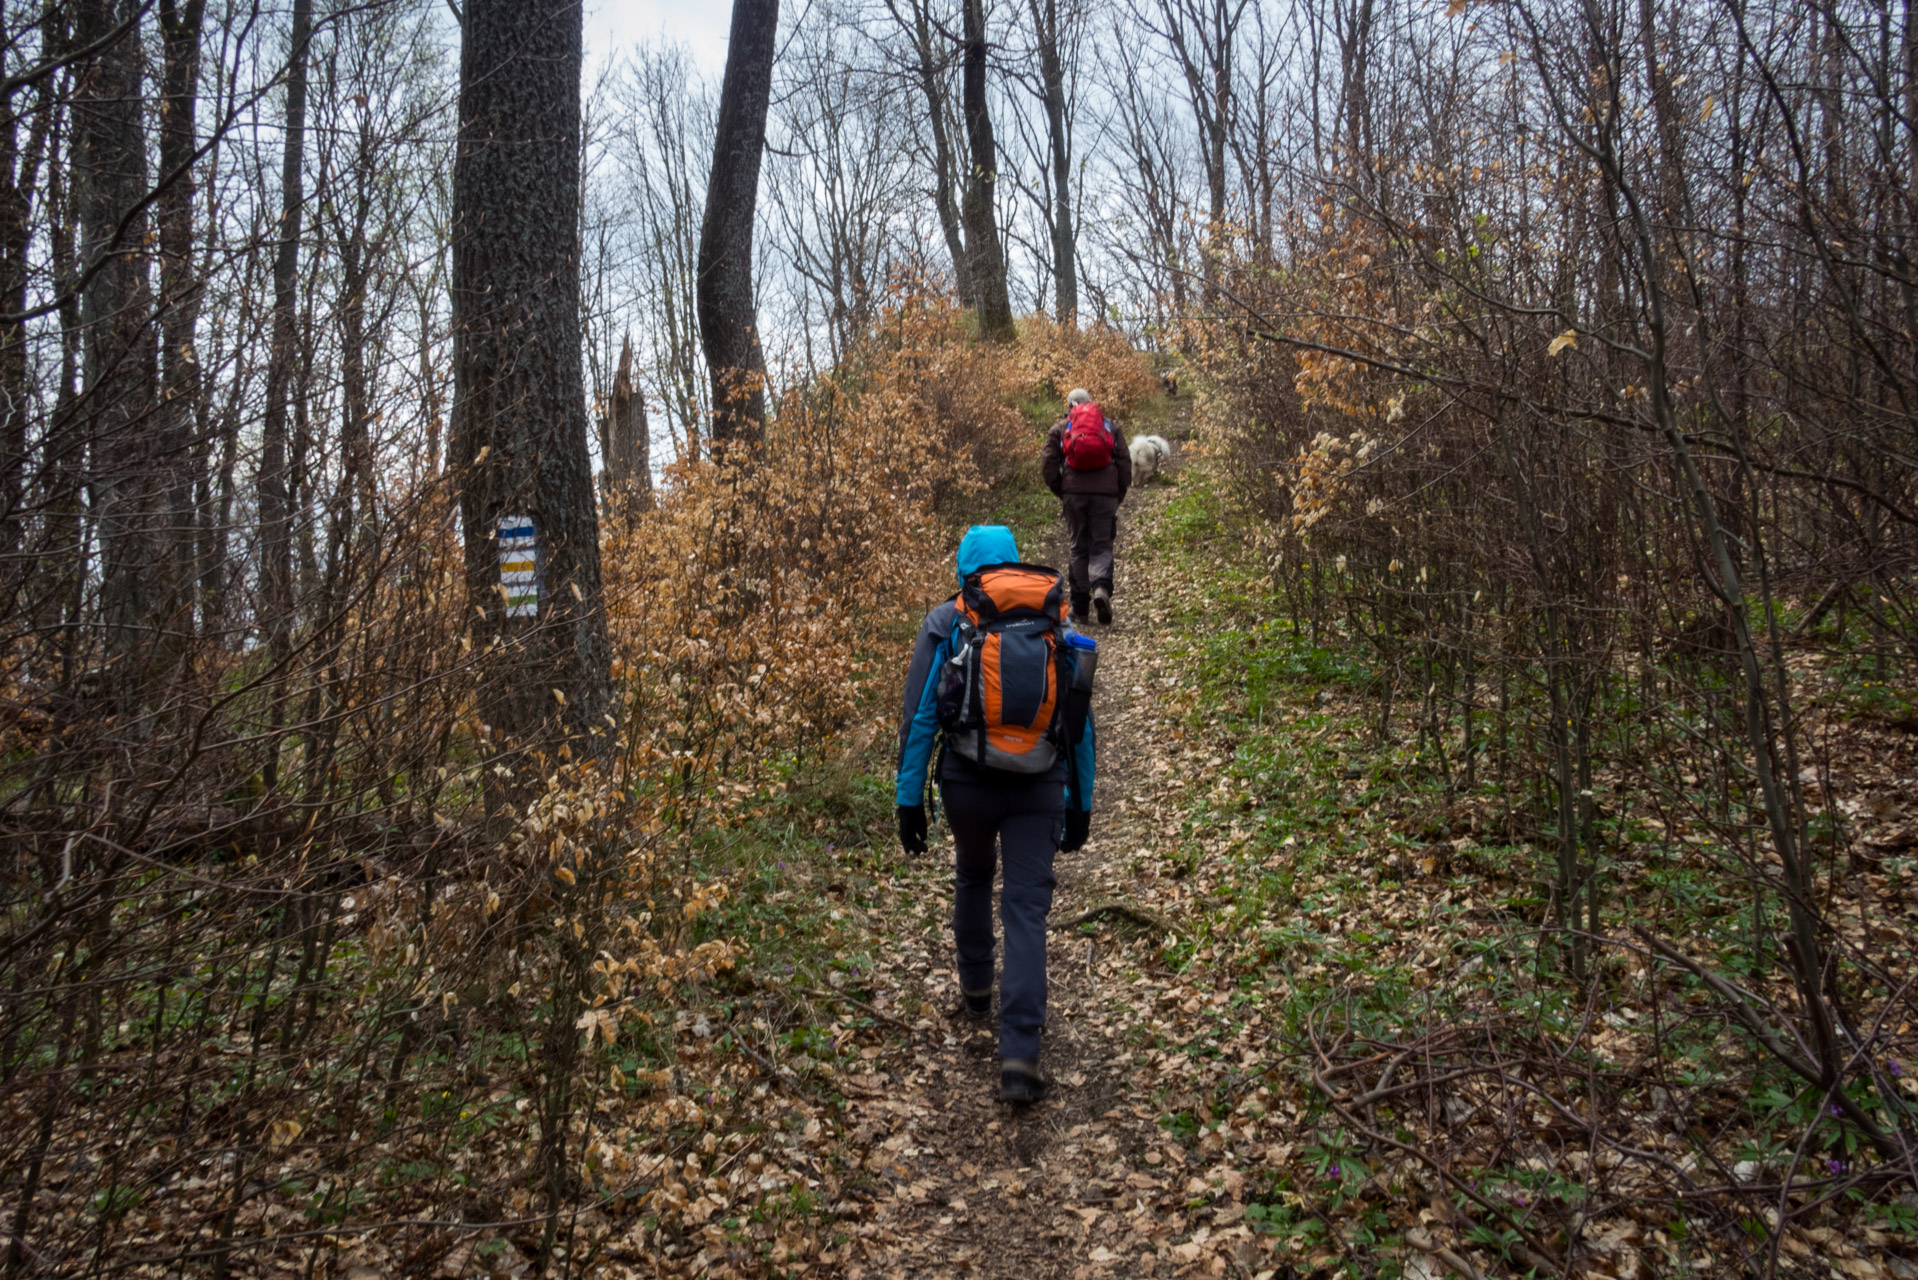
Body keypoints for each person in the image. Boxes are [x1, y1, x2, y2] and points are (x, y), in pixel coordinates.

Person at [895, 524, 1098, 1104]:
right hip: (1039, 785)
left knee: (974, 874)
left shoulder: (948, 620)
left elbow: (920, 719)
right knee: (1027, 908)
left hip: (968, 785)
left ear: (965, 569)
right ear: (1015, 566)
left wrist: (910, 798)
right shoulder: (1054, 617)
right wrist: (1080, 803)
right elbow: (1077, 723)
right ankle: (1019, 1053)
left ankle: (977, 986)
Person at [1042, 388, 1132, 625]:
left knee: (1078, 547)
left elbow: (1048, 463)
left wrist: (1061, 489)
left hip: (1074, 494)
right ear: (1090, 404)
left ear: (1069, 405)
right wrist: (1118, 492)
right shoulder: (1110, 427)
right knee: (1101, 544)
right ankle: (1101, 588)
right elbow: (1124, 461)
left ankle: (1080, 607)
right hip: (1106, 494)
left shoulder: (1060, 428)